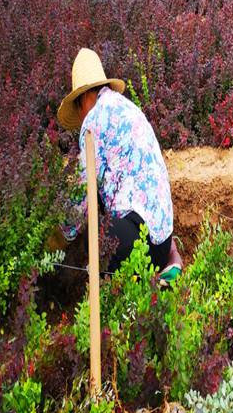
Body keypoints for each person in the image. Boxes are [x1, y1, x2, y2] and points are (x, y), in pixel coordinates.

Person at [47, 48, 182, 283]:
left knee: (98, 237)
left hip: (141, 244)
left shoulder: (94, 121)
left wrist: (57, 239)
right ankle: (172, 263)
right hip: (163, 240)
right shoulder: (126, 107)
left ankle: (126, 294)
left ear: (82, 99)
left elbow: (83, 194)